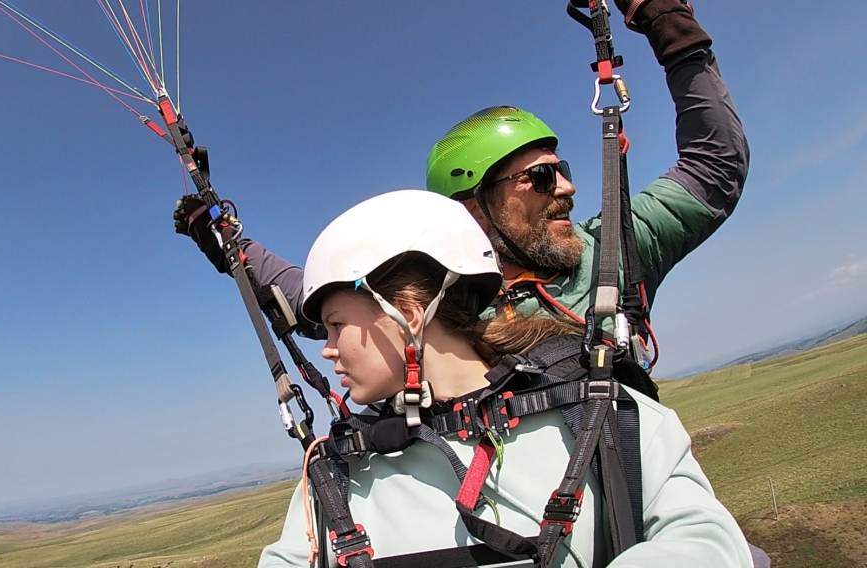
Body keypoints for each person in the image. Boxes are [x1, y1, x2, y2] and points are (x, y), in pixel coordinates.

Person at [175, 0, 749, 370]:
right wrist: (227, 243)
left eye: (564, 170)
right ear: (475, 206)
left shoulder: (613, 252)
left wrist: (671, 28)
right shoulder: (428, 297)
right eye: (542, 176)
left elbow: (714, 165)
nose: (568, 189)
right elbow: (310, 293)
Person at [257, 189, 753, 568]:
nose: (326, 349)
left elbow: (707, 541)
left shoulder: (601, 413)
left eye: (338, 325)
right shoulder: (336, 474)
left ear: (406, 312)